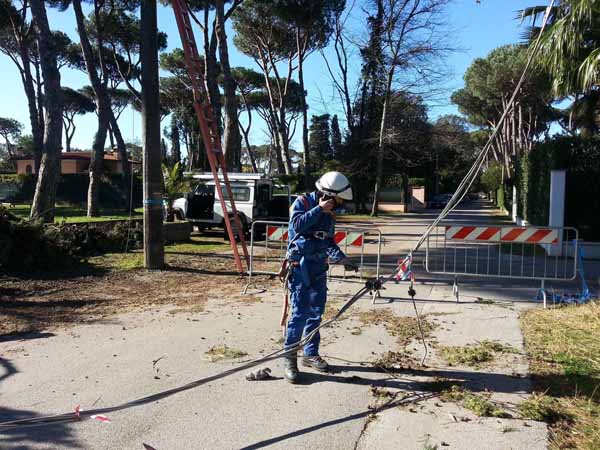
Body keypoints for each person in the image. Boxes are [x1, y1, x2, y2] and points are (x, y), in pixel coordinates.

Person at [283, 171, 357, 383]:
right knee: (299, 315)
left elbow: (327, 241)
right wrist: (318, 210)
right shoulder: (302, 203)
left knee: (316, 312)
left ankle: (310, 353)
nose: (340, 204)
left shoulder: (328, 213)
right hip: (299, 267)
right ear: (327, 195)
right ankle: (289, 358)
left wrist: (343, 259)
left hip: (318, 267)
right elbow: (296, 226)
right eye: (338, 200)